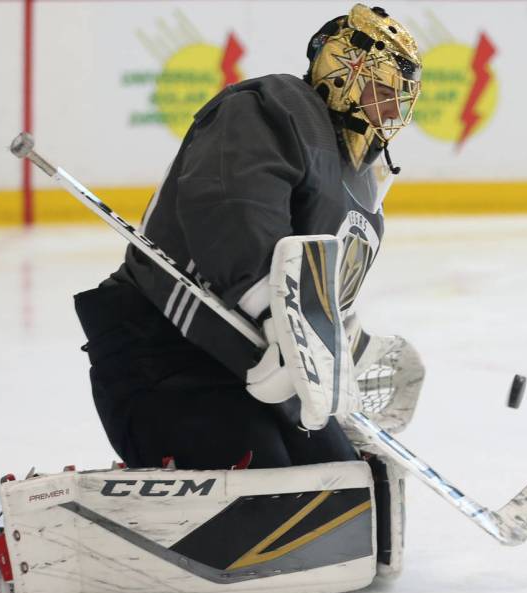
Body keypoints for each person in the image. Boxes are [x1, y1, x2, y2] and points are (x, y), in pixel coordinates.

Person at [74, 4, 423, 472]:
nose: (391, 111)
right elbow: (231, 207)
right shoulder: (275, 106)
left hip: (247, 368)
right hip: (162, 351)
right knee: (269, 481)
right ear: (346, 73)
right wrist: (275, 314)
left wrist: (345, 359)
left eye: (398, 100)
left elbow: (319, 298)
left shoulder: (362, 190)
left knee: (345, 481)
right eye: (383, 92)